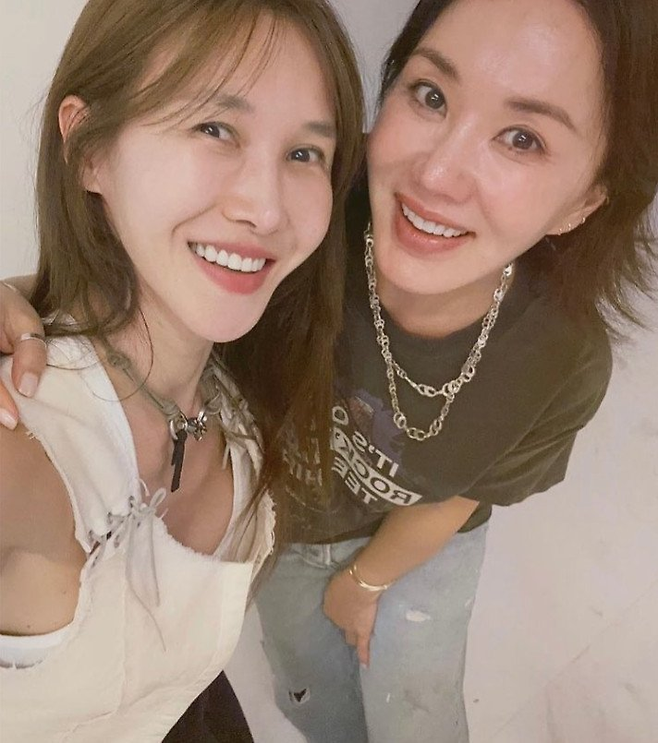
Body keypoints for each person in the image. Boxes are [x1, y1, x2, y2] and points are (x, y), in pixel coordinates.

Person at [2, 0, 658, 742]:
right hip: (292, 528)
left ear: (584, 201)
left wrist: (366, 579)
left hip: (419, 537)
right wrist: (30, 301)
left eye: (523, 138)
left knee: (418, 713)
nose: (438, 174)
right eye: (431, 95)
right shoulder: (309, 230)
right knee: (314, 697)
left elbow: (468, 487)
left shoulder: (562, 359)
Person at [0, 0, 363, 741]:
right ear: (89, 150)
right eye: (215, 128)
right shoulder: (25, 436)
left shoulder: (240, 402)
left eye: (305, 154)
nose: (266, 209)